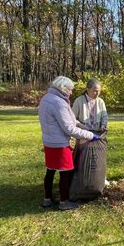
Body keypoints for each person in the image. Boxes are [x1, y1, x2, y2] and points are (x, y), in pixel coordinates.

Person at [38, 76, 100, 211]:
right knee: (66, 172)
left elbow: (70, 120)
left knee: (50, 170)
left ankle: (47, 199)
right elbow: (69, 128)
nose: (71, 92)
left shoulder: (47, 98)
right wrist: (90, 135)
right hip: (59, 144)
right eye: (70, 89)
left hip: (48, 142)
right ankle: (64, 202)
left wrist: (84, 127)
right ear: (63, 88)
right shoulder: (58, 103)